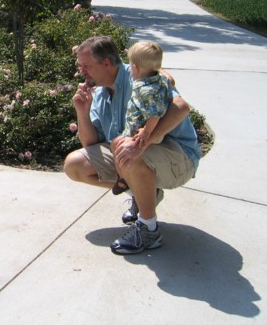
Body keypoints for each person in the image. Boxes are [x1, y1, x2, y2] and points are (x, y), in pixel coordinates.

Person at [63, 36, 201, 255]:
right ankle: (144, 192)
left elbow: (181, 108)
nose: (82, 72)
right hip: (136, 154)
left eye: (86, 66)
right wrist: (82, 111)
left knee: (126, 148)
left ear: (106, 63)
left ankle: (149, 229)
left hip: (178, 156)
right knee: (75, 165)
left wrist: (144, 141)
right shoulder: (99, 93)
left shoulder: (141, 76)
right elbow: (91, 144)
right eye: (80, 66)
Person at [111, 40, 170, 195]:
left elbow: (154, 114)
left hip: (139, 134)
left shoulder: (146, 90)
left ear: (135, 68)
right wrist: (155, 66)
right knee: (115, 144)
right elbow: (171, 79)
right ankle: (123, 177)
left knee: (119, 147)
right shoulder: (160, 79)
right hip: (142, 130)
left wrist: (146, 131)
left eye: (131, 64)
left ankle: (125, 179)